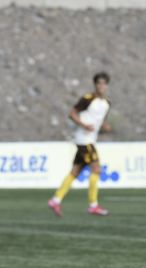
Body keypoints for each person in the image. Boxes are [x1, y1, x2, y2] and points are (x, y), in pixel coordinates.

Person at [48, 72, 112, 217]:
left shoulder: (107, 103)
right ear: (95, 85)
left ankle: (55, 200)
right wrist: (83, 125)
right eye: (99, 83)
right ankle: (93, 205)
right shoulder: (87, 99)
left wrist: (105, 127)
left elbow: (100, 120)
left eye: (104, 83)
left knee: (75, 172)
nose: (101, 86)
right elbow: (72, 113)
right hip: (84, 140)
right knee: (96, 170)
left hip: (90, 139)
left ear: (107, 86)